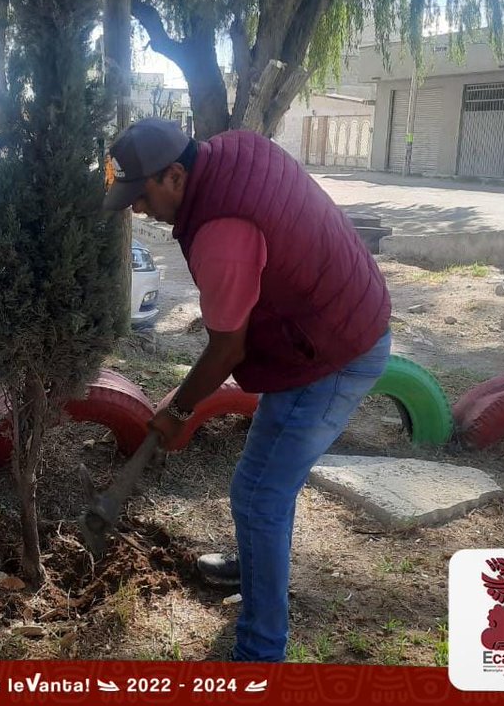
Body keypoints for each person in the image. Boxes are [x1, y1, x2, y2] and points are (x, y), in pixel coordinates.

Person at [103, 117, 392, 662]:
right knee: (261, 487)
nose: (138, 210)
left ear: (175, 175)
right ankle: (258, 566)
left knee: (259, 495)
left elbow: (227, 349)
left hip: (334, 352)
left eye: (140, 196)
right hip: (328, 325)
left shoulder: (221, 232)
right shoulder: (233, 149)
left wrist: (178, 408)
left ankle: (261, 652)